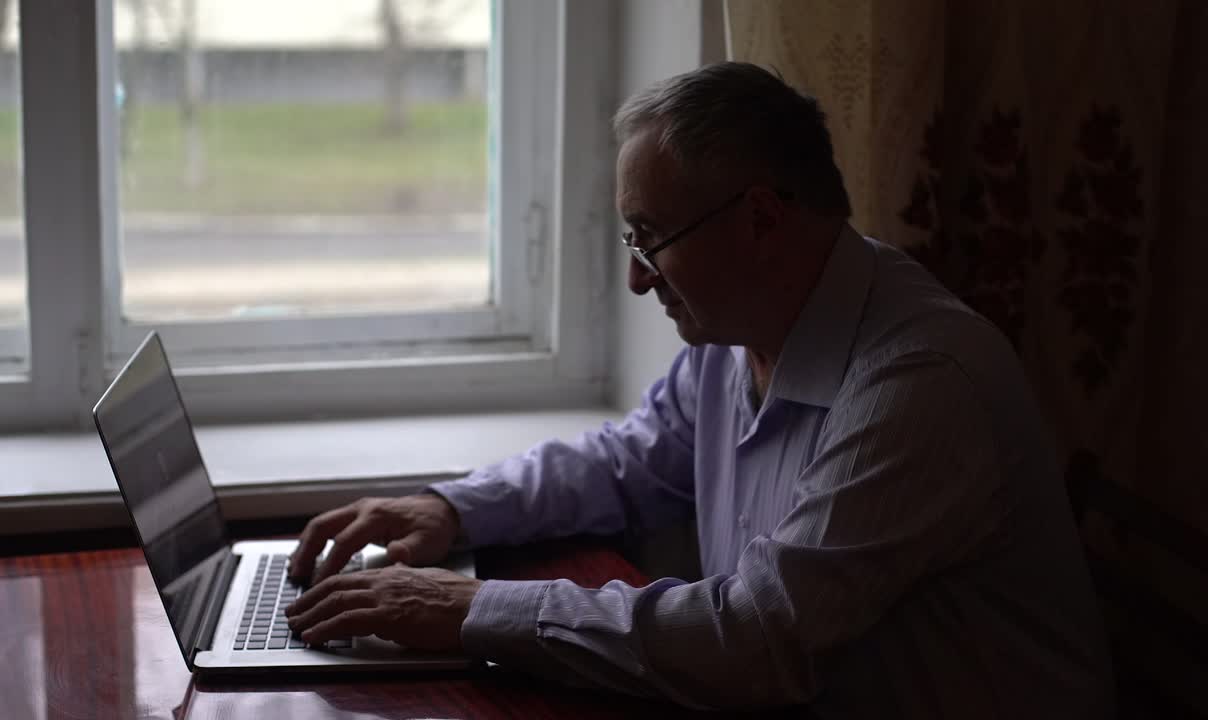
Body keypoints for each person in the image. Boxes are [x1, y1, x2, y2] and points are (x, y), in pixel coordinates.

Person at [285, 61, 1114, 718]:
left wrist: (473, 607)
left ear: (760, 219)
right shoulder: (739, 335)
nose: (637, 278)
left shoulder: (921, 382)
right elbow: (628, 462)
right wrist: (455, 510)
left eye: (651, 238)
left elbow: (758, 641)